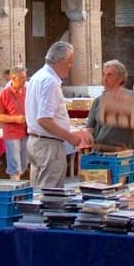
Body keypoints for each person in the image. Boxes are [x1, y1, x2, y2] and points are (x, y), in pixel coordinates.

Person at [25, 41, 92, 188]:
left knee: (38, 193)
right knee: (50, 194)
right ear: (60, 61)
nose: (71, 66)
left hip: (36, 142)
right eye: (70, 62)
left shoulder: (37, 77)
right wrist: (70, 137)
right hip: (48, 145)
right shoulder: (50, 81)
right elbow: (44, 119)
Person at [87, 59, 134, 151]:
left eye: (109, 75)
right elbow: (90, 128)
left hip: (124, 156)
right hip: (100, 155)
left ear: (120, 78)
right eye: (104, 74)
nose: (105, 79)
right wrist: (87, 136)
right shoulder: (98, 101)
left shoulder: (133, 96)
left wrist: (127, 99)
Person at [0, 66, 29, 179]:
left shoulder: (27, 91)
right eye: (22, 78)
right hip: (12, 133)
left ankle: (19, 183)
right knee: (15, 165)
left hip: (26, 131)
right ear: (13, 78)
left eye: (25, 77)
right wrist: (16, 119)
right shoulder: (4, 94)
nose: (25, 80)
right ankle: (15, 187)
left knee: (24, 163)